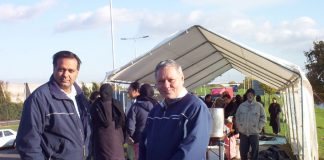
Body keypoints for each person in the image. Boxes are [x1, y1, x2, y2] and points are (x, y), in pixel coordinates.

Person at [16, 51, 92, 159]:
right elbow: (28, 143)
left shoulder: (81, 98)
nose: (66, 75)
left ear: (77, 72)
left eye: (71, 70)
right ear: (54, 69)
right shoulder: (39, 99)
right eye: (61, 69)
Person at [139, 59, 212, 160]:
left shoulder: (195, 108)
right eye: (161, 81)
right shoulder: (155, 111)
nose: (166, 85)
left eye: (171, 80)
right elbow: (144, 145)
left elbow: (191, 153)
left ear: (182, 78)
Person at [91, 83, 126, 160]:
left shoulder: (96, 106)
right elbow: (123, 123)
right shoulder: (117, 104)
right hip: (117, 146)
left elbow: (91, 125)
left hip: (101, 145)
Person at [126, 83, 158, 160]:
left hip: (138, 140)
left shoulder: (135, 107)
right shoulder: (157, 106)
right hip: (154, 140)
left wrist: (131, 136)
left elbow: (131, 126)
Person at [236, 88, 266, 160]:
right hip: (243, 133)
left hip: (254, 133)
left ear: (254, 96)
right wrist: (239, 127)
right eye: (248, 94)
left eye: (251, 94)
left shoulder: (259, 106)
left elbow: (263, 117)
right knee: (243, 152)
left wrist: (259, 127)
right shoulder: (241, 106)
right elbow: (237, 117)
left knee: (255, 152)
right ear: (246, 95)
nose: (250, 96)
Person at [126, 81, 141, 160]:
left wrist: (132, 136)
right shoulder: (130, 102)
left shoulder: (140, 104)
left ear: (136, 90)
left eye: (130, 89)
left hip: (136, 139)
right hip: (131, 139)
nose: (128, 90)